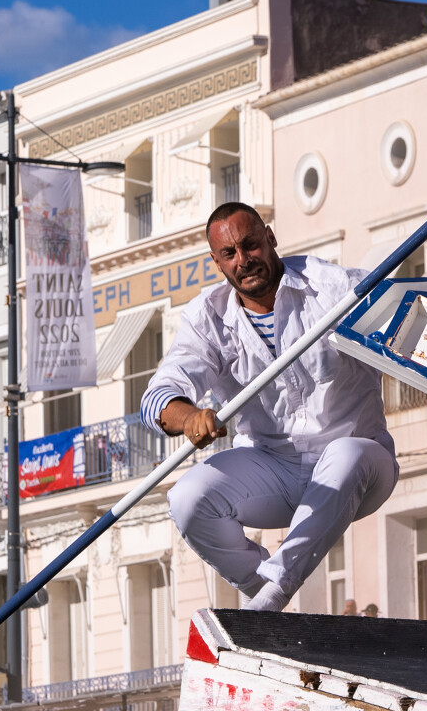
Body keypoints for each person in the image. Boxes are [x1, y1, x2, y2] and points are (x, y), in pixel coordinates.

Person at [140, 203, 398, 612]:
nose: (244, 261)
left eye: (251, 245)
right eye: (230, 254)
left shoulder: (335, 288)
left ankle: (272, 595)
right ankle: (265, 589)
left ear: (270, 239)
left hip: (361, 466)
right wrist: (189, 417)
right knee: (187, 499)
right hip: (273, 469)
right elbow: (157, 397)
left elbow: (411, 328)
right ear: (217, 262)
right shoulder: (207, 318)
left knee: (346, 453)